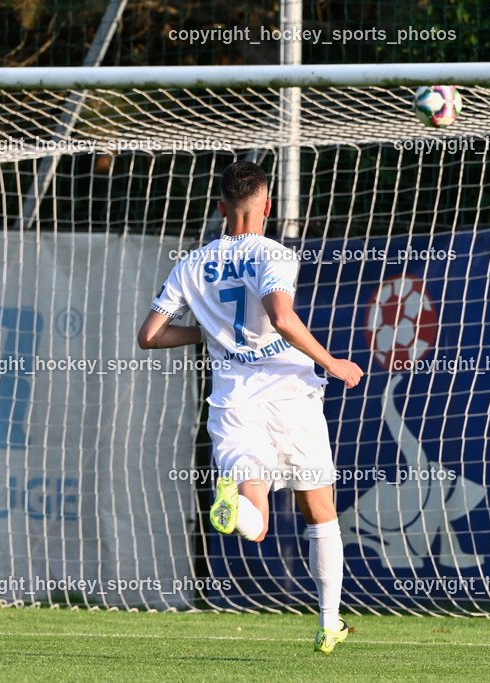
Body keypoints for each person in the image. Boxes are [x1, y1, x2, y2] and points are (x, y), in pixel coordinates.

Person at [137, 161, 363, 655]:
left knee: (255, 524)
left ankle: (236, 504)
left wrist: (210, 333)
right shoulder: (275, 254)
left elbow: (149, 337)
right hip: (291, 394)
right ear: (266, 206)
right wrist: (332, 362)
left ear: (221, 209)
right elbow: (282, 319)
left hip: (233, 399)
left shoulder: (191, 264)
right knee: (319, 510)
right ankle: (329, 623)